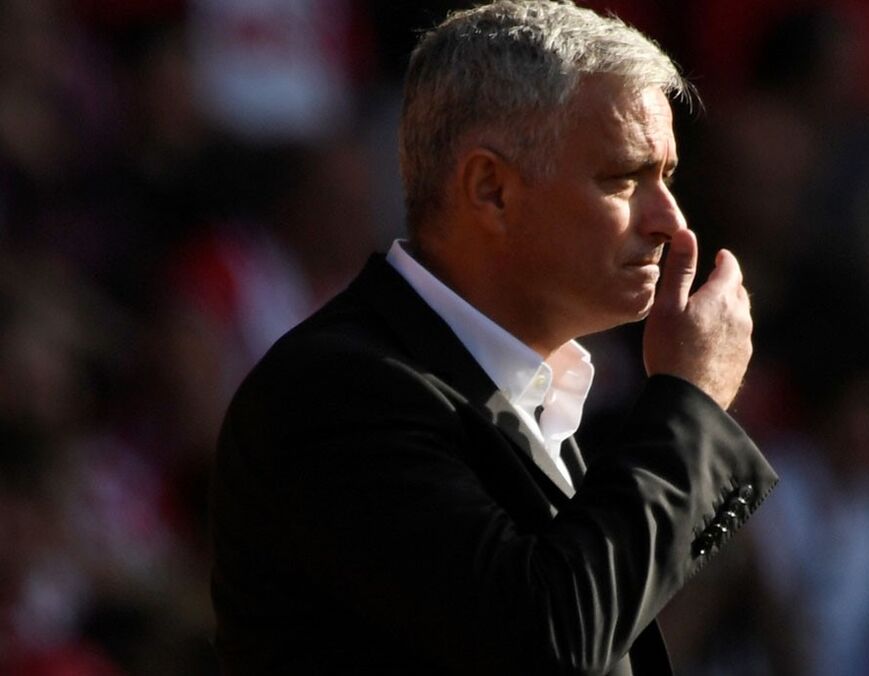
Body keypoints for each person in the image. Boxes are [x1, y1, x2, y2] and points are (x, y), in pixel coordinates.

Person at [209, 2, 778, 674]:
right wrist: (691, 400)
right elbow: (543, 643)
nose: (669, 220)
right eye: (624, 179)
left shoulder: (530, 393)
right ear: (491, 189)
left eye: (667, 177)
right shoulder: (335, 394)